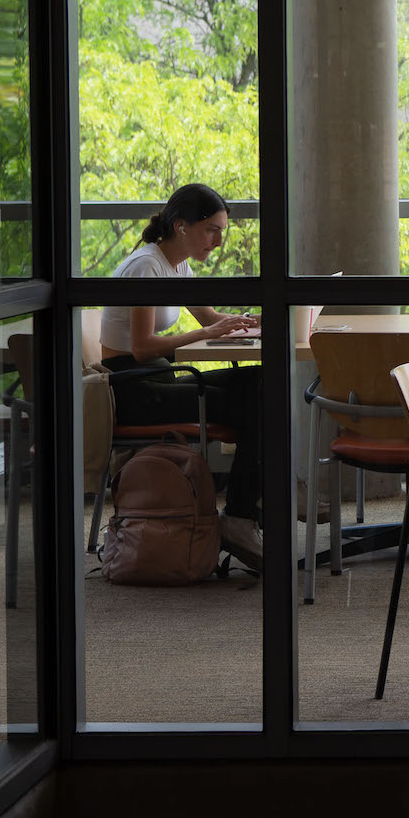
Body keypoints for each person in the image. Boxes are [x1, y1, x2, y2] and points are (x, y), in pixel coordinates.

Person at [100, 183, 266, 569]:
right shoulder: (146, 266)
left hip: (160, 378)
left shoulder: (177, 263)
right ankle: (245, 512)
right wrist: (208, 334)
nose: (219, 241)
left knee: (261, 383)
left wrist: (250, 321)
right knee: (257, 397)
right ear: (181, 227)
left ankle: (259, 497)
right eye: (212, 229)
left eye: (221, 230)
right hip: (133, 389)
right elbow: (142, 347)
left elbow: (209, 318)